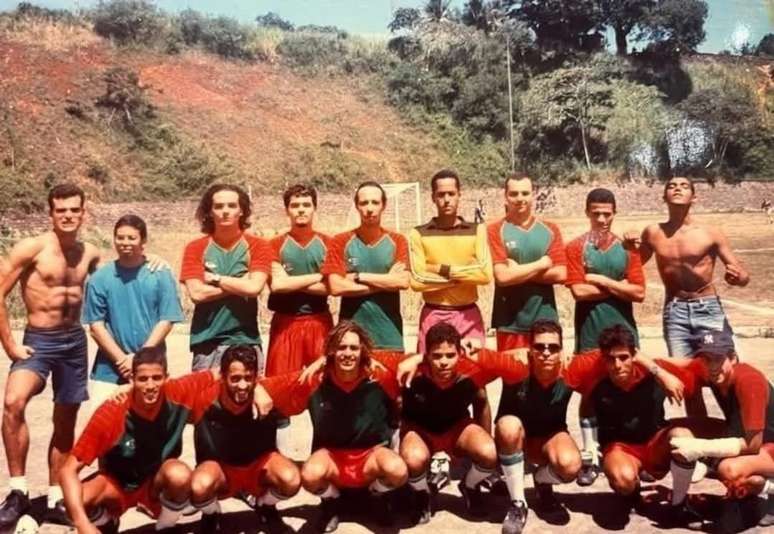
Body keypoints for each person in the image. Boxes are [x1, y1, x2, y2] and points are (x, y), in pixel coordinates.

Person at [0, 184, 100, 527]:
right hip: (38, 340)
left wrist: (151, 264)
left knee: (65, 420)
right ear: (51, 213)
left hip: (74, 342)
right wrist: (10, 346)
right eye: (61, 210)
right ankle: (18, 492)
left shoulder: (90, 253)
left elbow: (116, 280)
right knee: (13, 402)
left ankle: (57, 497)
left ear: (83, 212)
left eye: (74, 209)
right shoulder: (33, 248)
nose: (68, 215)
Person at [257, 321, 408, 533]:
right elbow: (268, 386)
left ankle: (376, 495)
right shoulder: (314, 379)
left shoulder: (380, 373)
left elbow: (426, 360)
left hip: (371, 456)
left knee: (398, 470)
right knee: (310, 475)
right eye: (341, 347)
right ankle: (332, 501)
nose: (347, 354)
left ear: (363, 351)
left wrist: (418, 359)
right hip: (331, 458)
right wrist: (258, 390)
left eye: (354, 348)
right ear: (330, 351)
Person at [59, 347, 219, 534]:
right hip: (118, 485)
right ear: (131, 379)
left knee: (180, 475)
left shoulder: (178, 391)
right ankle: (106, 520)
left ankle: (166, 525)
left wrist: (252, 386)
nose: (150, 385)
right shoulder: (112, 412)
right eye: (143, 379)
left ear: (166, 378)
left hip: (156, 483)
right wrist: (82, 524)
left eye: (157, 378)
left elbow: (222, 372)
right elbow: (68, 470)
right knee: (73, 503)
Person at [625, 176, 749, 414]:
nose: (677, 188)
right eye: (671, 186)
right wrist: (628, 247)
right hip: (675, 312)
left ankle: (738, 426)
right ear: (664, 196)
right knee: (688, 380)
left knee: (724, 373)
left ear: (694, 197)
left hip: (708, 308)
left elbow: (742, 275)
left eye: (684, 186)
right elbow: (633, 265)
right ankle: (699, 433)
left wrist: (737, 277)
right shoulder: (653, 232)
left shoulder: (710, 233)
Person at [387, 322, 527, 529]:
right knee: (412, 459)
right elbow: (372, 359)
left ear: (459, 353)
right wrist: (414, 359)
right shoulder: (410, 368)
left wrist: (481, 353)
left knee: (489, 454)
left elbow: (517, 372)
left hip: (457, 428)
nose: (444, 362)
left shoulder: (471, 367)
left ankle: (470, 486)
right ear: (427, 355)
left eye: (450, 355)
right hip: (420, 431)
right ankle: (423, 494)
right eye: (436, 356)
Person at [566, 325, 703, 527]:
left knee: (683, 437)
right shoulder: (594, 376)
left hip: (655, 442)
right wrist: (591, 446)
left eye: (623, 357)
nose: (617, 365)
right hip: (620, 447)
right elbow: (583, 402)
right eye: (611, 359)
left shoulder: (655, 372)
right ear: (603, 359)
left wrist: (665, 375)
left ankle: (679, 505)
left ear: (634, 356)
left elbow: (701, 375)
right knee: (622, 479)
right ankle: (633, 493)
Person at [566, 188, 645, 485]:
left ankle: (635, 452)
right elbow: (578, 291)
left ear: (615, 214)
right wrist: (619, 286)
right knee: (589, 393)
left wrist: (599, 279)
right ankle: (590, 456)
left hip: (624, 331)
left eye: (607, 214)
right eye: (596, 213)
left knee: (631, 390)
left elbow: (639, 292)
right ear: (587, 212)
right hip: (590, 331)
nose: (602, 219)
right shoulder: (576, 247)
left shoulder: (627, 248)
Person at [408, 169, 493, 438]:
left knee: (478, 386)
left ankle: (485, 453)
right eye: (441, 194)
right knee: (426, 381)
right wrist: (462, 276)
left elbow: (484, 275)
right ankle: (427, 447)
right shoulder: (418, 233)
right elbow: (417, 280)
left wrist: (442, 269)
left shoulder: (477, 230)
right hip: (434, 313)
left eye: (451, 194)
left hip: (468, 315)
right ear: (433, 197)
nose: (446, 199)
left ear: (459, 195)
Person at [667, 331, 774, 529]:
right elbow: (664, 363)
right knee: (678, 434)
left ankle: (765, 487)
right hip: (747, 439)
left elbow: (753, 445)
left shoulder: (749, 381)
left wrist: (700, 449)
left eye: (718, 359)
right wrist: (659, 372)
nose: (712, 366)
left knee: (729, 469)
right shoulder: (710, 370)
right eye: (706, 359)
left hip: (765, 445)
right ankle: (678, 505)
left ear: (732, 358)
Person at [189, 345, 301, 534]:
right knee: (199, 486)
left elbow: (304, 379)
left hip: (258, 468)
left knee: (291, 479)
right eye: (235, 379)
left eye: (248, 378)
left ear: (256, 377)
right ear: (222, 376)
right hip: (220, 470)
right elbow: (165, 393)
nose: (242, 385)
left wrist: (323, 360)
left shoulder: (269, 392)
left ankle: (266, 505)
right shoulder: (202, 399)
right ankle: (211, 513)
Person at [83, 214, 184, 411]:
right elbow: (96, 326)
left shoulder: (160, 274)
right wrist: (122, 360)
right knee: (103, 424)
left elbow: (166, 320)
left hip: (151, 368)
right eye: (120, 237)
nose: (125, 243)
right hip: (109, 369)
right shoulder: (100, 278)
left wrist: (139, 359)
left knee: (152, 424)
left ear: (143, 240)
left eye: (132, 238)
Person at [180, 184, 271, 373]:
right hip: (207, 341)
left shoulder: (258, 246)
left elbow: (254, 288)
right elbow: (197, 294)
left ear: (242, 210)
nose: (225, 211)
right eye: (219, 206)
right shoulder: (195, 248)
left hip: (246, 339)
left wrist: (216, 279)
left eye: (232, 205)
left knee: (247, 392)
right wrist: (240, 282)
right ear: (209, 212)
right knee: (205, 393)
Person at [321, 181, 410, 357]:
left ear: (384, 205)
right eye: (364, 203)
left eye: (375, 202)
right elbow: (336, 287)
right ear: (356, 206)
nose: (369, 208)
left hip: (389, 336)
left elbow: (402, 281)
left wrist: (359, 276)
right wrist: (385, 283)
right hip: (350, 341)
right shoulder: (340, 241)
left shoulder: (398, 240)